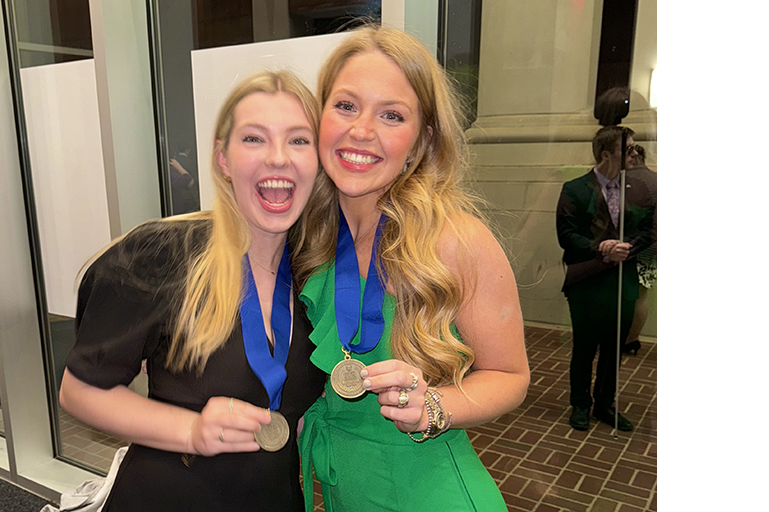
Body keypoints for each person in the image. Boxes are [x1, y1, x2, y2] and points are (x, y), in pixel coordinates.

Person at [58, 70, 327, 512]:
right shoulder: (160, 254)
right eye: (254, 139)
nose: (279, 158)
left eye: (299, 140)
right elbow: (79, 391)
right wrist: (191, 431)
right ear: (222, 158)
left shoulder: (315, 274)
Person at [292, 26, 530, 511]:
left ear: (421, 141)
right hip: (344, 489)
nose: (362, 130)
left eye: (392, 115)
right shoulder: (308, 237)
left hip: (433, 494)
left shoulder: (456, 239)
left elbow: (510, 374)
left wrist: (435, 407)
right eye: (345, 105)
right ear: (318, 118)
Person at [556, 126, 654, 432]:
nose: (636, 154)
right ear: (606, 154)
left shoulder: (639, 190)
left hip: (623, 279)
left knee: (615, 347)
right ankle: (580, 405)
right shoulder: (575, 189)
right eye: (629, 150)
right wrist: (599, 247)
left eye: (636, 148)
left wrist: (628, 247)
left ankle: (605, 404)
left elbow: (651, 229)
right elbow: (566, 235)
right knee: (584, 346)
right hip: (586, 279)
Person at [623, 144, 657, 356]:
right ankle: (632, 339)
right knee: (641, 293)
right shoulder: (657, 179)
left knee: (629, 295)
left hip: (632, 244)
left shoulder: (629, 182)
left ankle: (625, 339)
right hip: (652, 245)